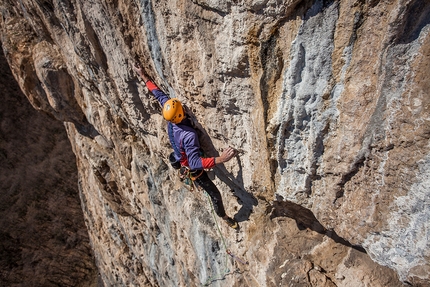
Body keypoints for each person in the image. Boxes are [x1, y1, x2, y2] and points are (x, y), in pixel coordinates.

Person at [133, 63, 239, 229]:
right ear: (180, 113)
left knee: (175, 158)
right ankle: (224, 217)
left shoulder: (171, 114)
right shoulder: (188, 135)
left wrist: (143, 75)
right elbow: (195, 162)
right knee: (216, 195)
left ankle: (179, 166)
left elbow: (158, 94)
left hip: (180, 152)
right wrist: (221, 158)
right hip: (192, 165)